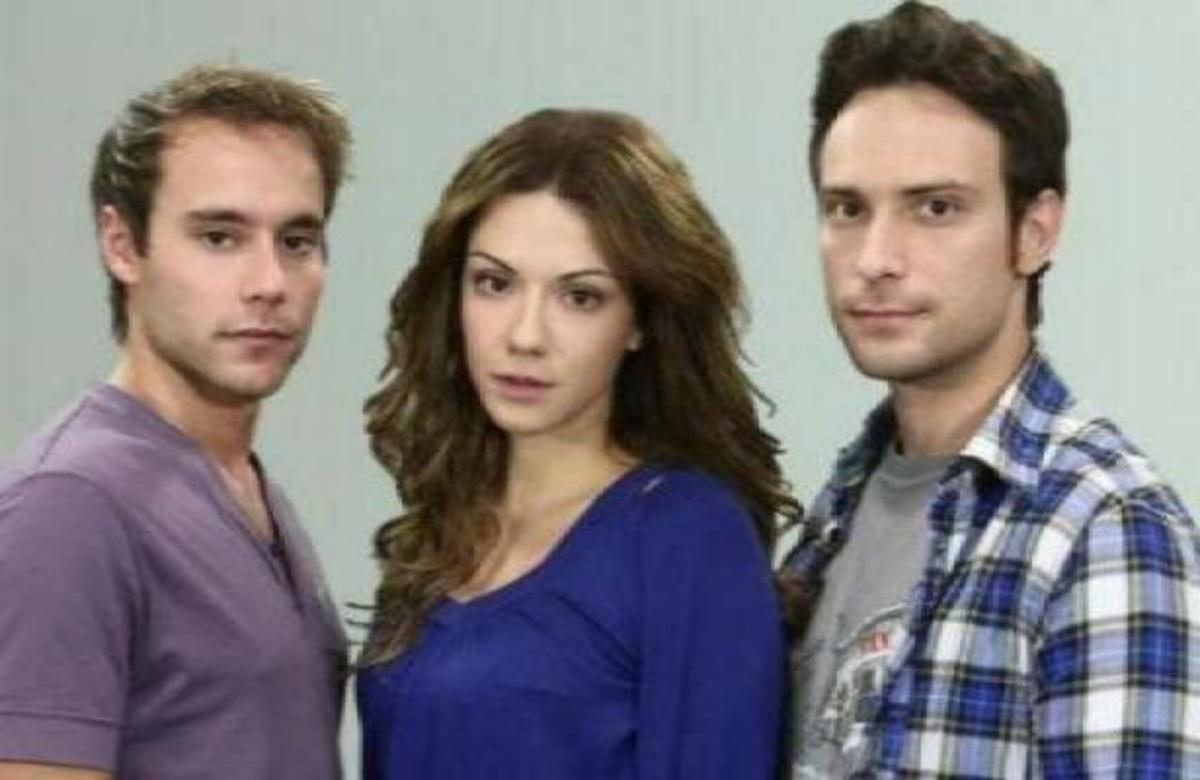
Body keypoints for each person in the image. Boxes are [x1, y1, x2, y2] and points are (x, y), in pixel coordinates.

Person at [781, 3, 1200, 777]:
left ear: (1035, 232)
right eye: (847, 209)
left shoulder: (1105, 529)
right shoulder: (838, 509)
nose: (875, 258)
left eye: (935, 208)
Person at [357, 108, 796, 779]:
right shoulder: (435, 538)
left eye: (580, 297)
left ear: (640, 322)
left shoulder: (687, 535)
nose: (525, 335)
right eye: (495, 283)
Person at [0, 65, 352, 779]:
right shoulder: (70, 505)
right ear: (121, 244)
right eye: (220, 237)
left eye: (296, 240)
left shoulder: (243, 486)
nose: (269, 283)